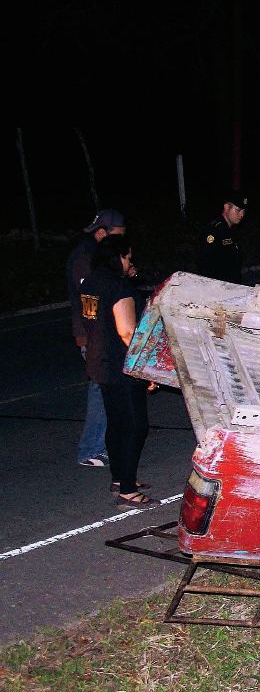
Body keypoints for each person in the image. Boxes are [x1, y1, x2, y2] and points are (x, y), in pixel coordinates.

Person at [80, 235, 157, 508]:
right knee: (136, 425)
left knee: (116, 422)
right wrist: (145, 368)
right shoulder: (118, 287)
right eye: (127, 257)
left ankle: (120, 478)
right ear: (118, 257)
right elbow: (127, 332)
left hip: (99, 361)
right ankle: (128, 490)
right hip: (121, 365)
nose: (130, 262)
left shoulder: (91, 283)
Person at [67, 209, 126, 467]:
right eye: (116, 237)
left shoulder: (97, 256)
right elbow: (90, 298)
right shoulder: (86, 257)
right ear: (102, 233)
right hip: (93, 336)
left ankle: (100, 444)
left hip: (98, 335)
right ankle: (91, 449)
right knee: (100, 391)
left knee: (104, 389)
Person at [196, 193, 247, 283]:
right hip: (218, 287)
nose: (241, 215)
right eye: (238, 210)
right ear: (227, 207)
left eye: (244, 211)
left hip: (232, 284)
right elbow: (206, 264)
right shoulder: (214, 230)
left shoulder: (232, 229)